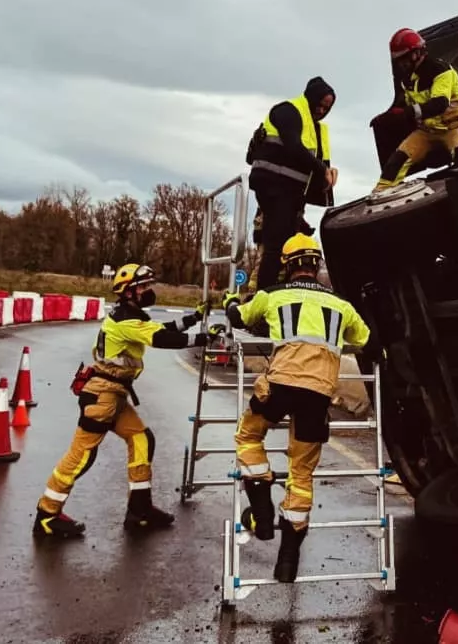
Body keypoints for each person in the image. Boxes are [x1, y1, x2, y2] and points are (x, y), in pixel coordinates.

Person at [221, 233, 371, 582]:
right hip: (317, 396)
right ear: (317, 265)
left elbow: (241, 318)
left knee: (248, 436)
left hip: (279, 387)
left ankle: (261, 508)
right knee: (302, 476)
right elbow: (364, 339)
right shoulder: (342, 305)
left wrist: (230, 302)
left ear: (287, 266)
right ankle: (287, 561)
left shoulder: (272, 295)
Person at [33, 262, 209, 539]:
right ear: (128, 292)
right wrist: (202, 338)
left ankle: (140, 511)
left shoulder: (130, 315)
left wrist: (192, 319)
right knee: (81, 457)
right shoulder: (127, 319)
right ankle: (47, 514)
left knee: (141, 439)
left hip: (112, 395)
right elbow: (161, 338)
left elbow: (159, 328)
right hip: (103, 396)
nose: (148, 291)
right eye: (142, 287)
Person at [245, 76, 339, 290]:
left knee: (287, 245)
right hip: (273, 186)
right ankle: (265, 296)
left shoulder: (317, 129)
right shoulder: (287, 111)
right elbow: (293, 146)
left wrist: (327, 178)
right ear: (311, 97)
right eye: (320, 104)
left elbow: (314, 163)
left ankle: (278, 291)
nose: (322, 110)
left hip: (291, 194)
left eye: (328, 107)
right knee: (275, 246)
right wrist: (322, 169)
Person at [371, 27, 458, 192]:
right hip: (426, 132)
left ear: (416, 53)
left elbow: (440, 103)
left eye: (403, 59)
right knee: (395, 164)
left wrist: (408, 113)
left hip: (454, 128)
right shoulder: (407, 79)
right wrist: (386, 117)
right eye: (398, 61)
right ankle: (379, 197)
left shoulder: (441, 71)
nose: (401, 64)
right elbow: (406, 104)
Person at [247, 207, 315, 292]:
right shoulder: (276, 202)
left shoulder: (289, 202)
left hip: (280, 236)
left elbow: (296, 217)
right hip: (272, 237)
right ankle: (255, 291)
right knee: (266, 262)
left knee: (278, 264)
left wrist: (304, 227)